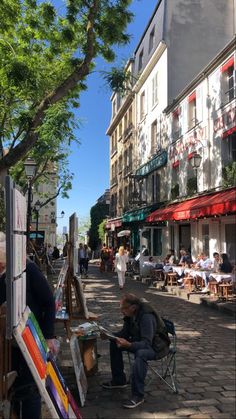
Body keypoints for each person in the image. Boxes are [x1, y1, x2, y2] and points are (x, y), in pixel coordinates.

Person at [0, 232, 56, 419]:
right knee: (12, 387)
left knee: (29, 388)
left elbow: (48, 302)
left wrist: (49, 336)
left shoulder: (28, 270)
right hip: (8, 343)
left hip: (30, 337)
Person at [101, 293, 170, 409]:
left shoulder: (146, 317)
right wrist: (110, 336)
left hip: (157, 347)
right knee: (115, 343)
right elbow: (124, 334)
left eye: (123, 308)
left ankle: (138, 395)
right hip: (140, 342)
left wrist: (129, 344)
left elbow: (146, 343)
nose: (121, 311)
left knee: (141, 354)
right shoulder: (130, 315)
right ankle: (119, 380)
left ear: (133, 307)